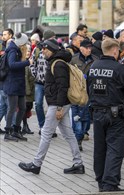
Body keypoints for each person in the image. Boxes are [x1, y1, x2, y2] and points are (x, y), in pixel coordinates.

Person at [18, 39, 85, 175]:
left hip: (57, 104)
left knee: (46, 134)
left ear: (52, 50)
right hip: (60, 103)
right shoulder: (56, 62)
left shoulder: (58, 64)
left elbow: (62, 87)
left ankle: (36, 164)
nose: (42, 51)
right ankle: (78, 163)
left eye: (45, 49)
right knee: (69, 135)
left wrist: (59, 107)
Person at [87, 38, 124, 192]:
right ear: (115, 50)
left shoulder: (93, 67)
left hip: (97, 112)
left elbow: (89, 89)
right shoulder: (119, 69)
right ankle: (110, 182)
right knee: (115, 148)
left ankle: (101, 180)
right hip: (115, 114)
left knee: (100, 148)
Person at [70, 39, 99, 150]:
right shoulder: (74, 59)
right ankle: (78, 138)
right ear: (81, 48)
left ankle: (82, 133)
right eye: (87, 48)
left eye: (90, 48)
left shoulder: (95, 60)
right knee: (76, 114)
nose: (89, 50)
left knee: (85, 116)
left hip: (88, 92)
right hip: (76, 92)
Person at [29, 30, 58, 137]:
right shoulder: (37, 49)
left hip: (52, 83)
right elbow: (32, 63)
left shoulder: (56, 50)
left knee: (53, 105)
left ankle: (51, 128)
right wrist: (35, 75)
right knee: (38, 104)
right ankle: (42, 126)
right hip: (39, 83)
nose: (54, 39)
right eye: (52, 37)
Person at [3, 33, 31, 141]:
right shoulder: (12, 50)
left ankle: (16, 130)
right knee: (12, 108)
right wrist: (27, 62)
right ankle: (8, 132)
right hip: (12, 83)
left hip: (18, 84)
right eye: (24, 43)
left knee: (22, 107)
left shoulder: (15, 49)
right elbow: (12, 65)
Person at [0, 28, 14, 134]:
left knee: (5, 106)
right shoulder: (3, 46)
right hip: (4, 80)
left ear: (11, 35)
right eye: (3, 34)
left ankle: (11, 127)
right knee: (7, 106)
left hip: (5, 80)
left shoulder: (10, 46)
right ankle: (11, 128)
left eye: (5, 34)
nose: (3, 36)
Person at [22, 44, 35, 135]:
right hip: (25, 90)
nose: (28, 52)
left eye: (29, 51)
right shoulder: (22, 62)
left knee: (29, 107)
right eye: (26, 51)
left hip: (31, 89)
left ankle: (25, 125)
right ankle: (24, 126)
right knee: (24, 107)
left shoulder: (31, 61)